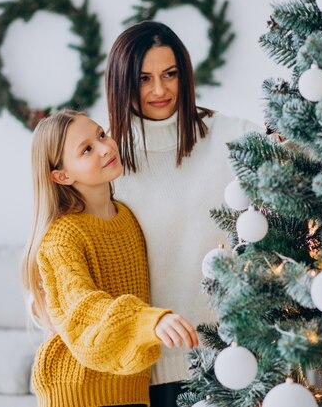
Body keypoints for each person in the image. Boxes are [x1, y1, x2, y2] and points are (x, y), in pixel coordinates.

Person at [105, 21, 261, 406]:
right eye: (144, 79)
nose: (160, 90)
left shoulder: (230, 135)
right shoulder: (107, 161)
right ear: (122, 83)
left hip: (233, 358)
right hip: (151, 368)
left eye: (170, 74)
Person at [22, 109, 199, 407]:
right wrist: (149, 322)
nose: (106, 148)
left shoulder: (128, 217)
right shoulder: (62, 236)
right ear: (62, 175)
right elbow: (83, 307)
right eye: (87, 149)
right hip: (77, 391)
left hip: (131, 387)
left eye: (101, 134)